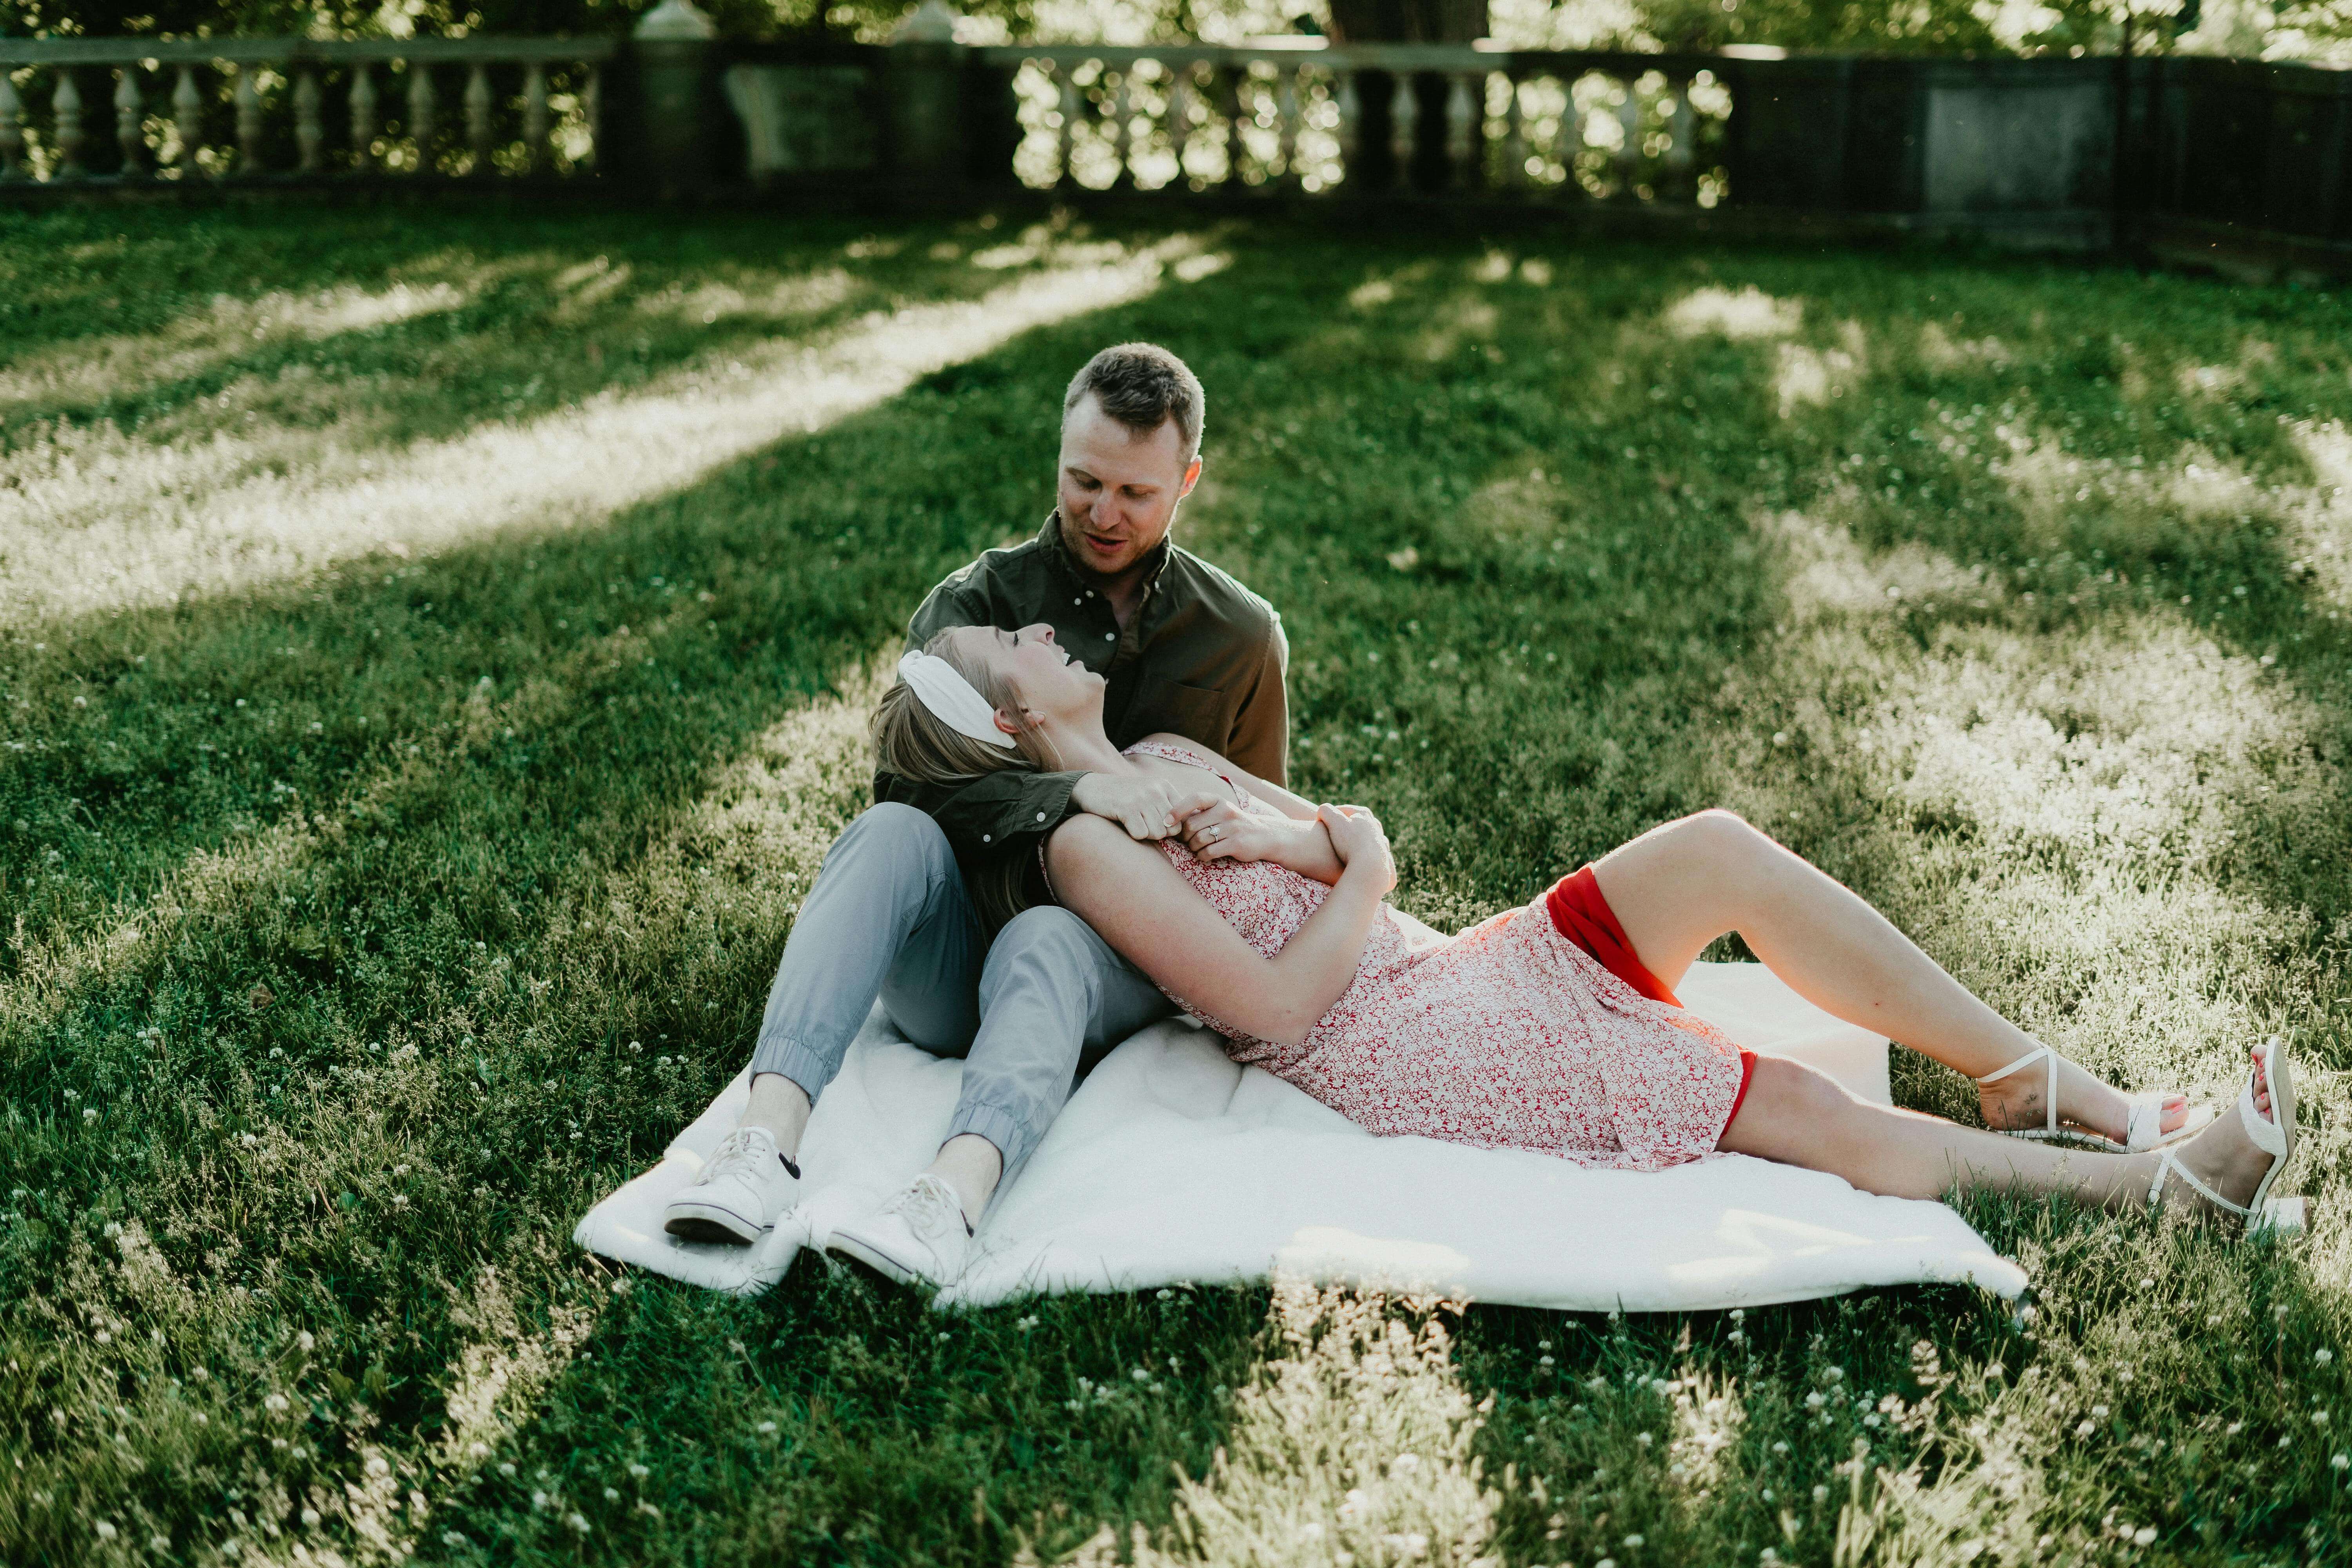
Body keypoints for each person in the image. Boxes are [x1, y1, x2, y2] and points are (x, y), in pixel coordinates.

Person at [866, 624, 2300, 1233]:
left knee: (1720, 849)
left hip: (1455, 964)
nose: (1038, 624)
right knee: (1785, 1100)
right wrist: (1353, 870)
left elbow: (1343, 835)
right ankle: (2158, 1194)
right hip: (1403, 1042)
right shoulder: (1085, 849)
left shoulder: (1174, 759)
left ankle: (2052, 1088)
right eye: (1010, 641)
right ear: (1002, 716)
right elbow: (1286, 1006)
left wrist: (1323, 845)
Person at [663, 344, 1292, 1289]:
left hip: (1111, 965)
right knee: (887, 832)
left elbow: (1254, 829)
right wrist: (1078, 791)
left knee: (1049, 932)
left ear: (1188, 479)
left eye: (1136, 492)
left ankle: (948, 1203)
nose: (1103, 512)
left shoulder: (1240, 635)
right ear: (1059, 455)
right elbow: (911, 777)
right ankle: (762, 1143)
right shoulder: (976, 604)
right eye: (1083, 480)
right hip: (958, 957)